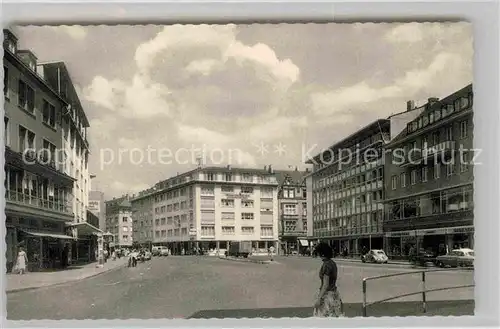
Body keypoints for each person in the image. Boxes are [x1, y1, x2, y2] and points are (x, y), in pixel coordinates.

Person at [313, 242, 343, 317]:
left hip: (327, 296)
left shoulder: (326, 265)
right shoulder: (333, 263)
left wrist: (318, 299)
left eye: (319, 253)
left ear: (322, 253)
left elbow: (325, 284)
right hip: (334, 294)